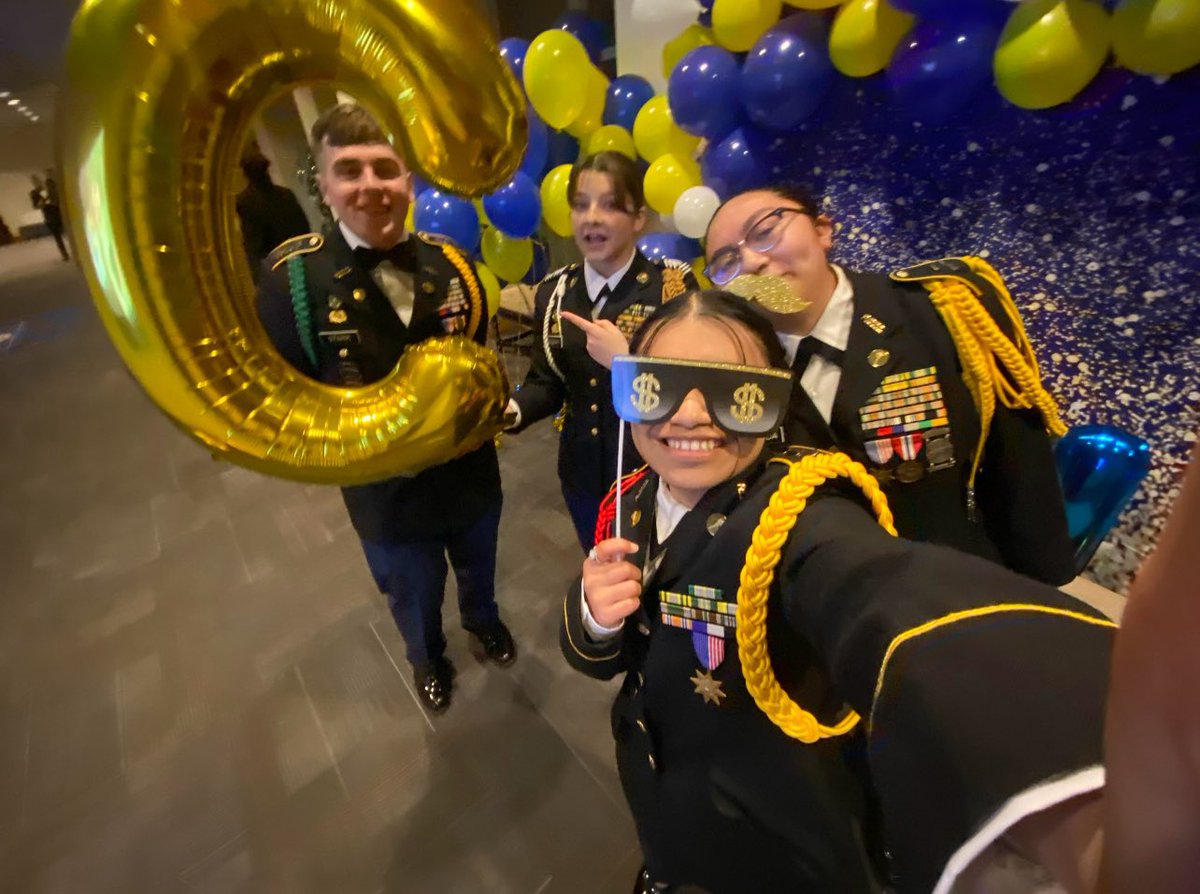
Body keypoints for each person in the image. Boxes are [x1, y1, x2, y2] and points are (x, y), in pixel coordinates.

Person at [561, 290, 1113, 893]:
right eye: (661, 386)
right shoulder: (634, 497)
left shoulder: (800, 517)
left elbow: (875, 587)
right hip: (667, 796)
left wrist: (1082, 785)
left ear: (774, 400)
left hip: (773, 847)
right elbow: (611, 661)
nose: (690, 416)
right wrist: (596, 618)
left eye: (731, 390)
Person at [255, 103, 515, 715]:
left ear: (409, 181)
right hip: (382, 494)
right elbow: (287, 396)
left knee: (480, 564)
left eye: (385, 169)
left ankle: (483, 621)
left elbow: (477, 356)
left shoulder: (452, 263)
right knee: (412, 589)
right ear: (323, 183)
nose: (370, 186)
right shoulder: (291, 278)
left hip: (469, 474)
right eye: (349, 170)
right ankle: (427, 657)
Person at [703, 184, 1075, 585]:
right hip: (826, 604)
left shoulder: (940, 308)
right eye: (727, 261)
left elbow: (1016, 454)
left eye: (764, 231)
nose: (752, 261)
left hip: (962, 585)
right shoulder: (736, 367)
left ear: (823, 230)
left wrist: (1039, 583)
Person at [505, 151, 698, 551]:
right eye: (581, 204)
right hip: (582, 473)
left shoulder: (671, 289)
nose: (592, 217)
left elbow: (691, 390)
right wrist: (513, 409)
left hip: (654, 475)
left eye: (610, 205)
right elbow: (547, 381)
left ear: (638, 218)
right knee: (600, 566)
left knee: (657, 573)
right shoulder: (555, 294)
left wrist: (624, 362)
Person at [235, 147, 313, 282]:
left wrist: (261, 279)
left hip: (278, 269)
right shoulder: (286, 195)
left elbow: (254, 245)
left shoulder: (246, 202)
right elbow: (304, 229)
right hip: (301, 261)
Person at [29, 173, 69, 261]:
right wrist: (44, 201)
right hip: (50, 217)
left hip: (59, 214)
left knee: (66, 234)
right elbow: (36, 206)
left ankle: (67, 252)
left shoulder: (55, 191)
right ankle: (64, 253)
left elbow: (58, 202)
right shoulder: (35, 194)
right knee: (58, 237)